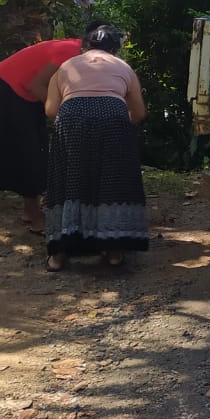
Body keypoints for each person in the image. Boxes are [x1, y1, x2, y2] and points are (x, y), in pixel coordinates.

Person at [43, 24, 148, 272]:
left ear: (85, 47)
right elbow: (139, 112)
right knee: (112, 181)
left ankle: (58, 255)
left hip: (72, 118)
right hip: (113, 117)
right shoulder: (123, 67)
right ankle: (113, 251)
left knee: (69, 181)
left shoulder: (66, 67)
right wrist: (118, 125)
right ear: (115, 49)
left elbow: (50, 111)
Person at [0, 35, 83, 233]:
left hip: (24, 93)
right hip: (8, 88)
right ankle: (35, 217)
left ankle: (30, 209)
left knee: (37, 147)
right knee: (28, 151)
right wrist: (61, 114)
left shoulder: (80, 53)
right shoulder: (69, 53)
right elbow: (36, 85)